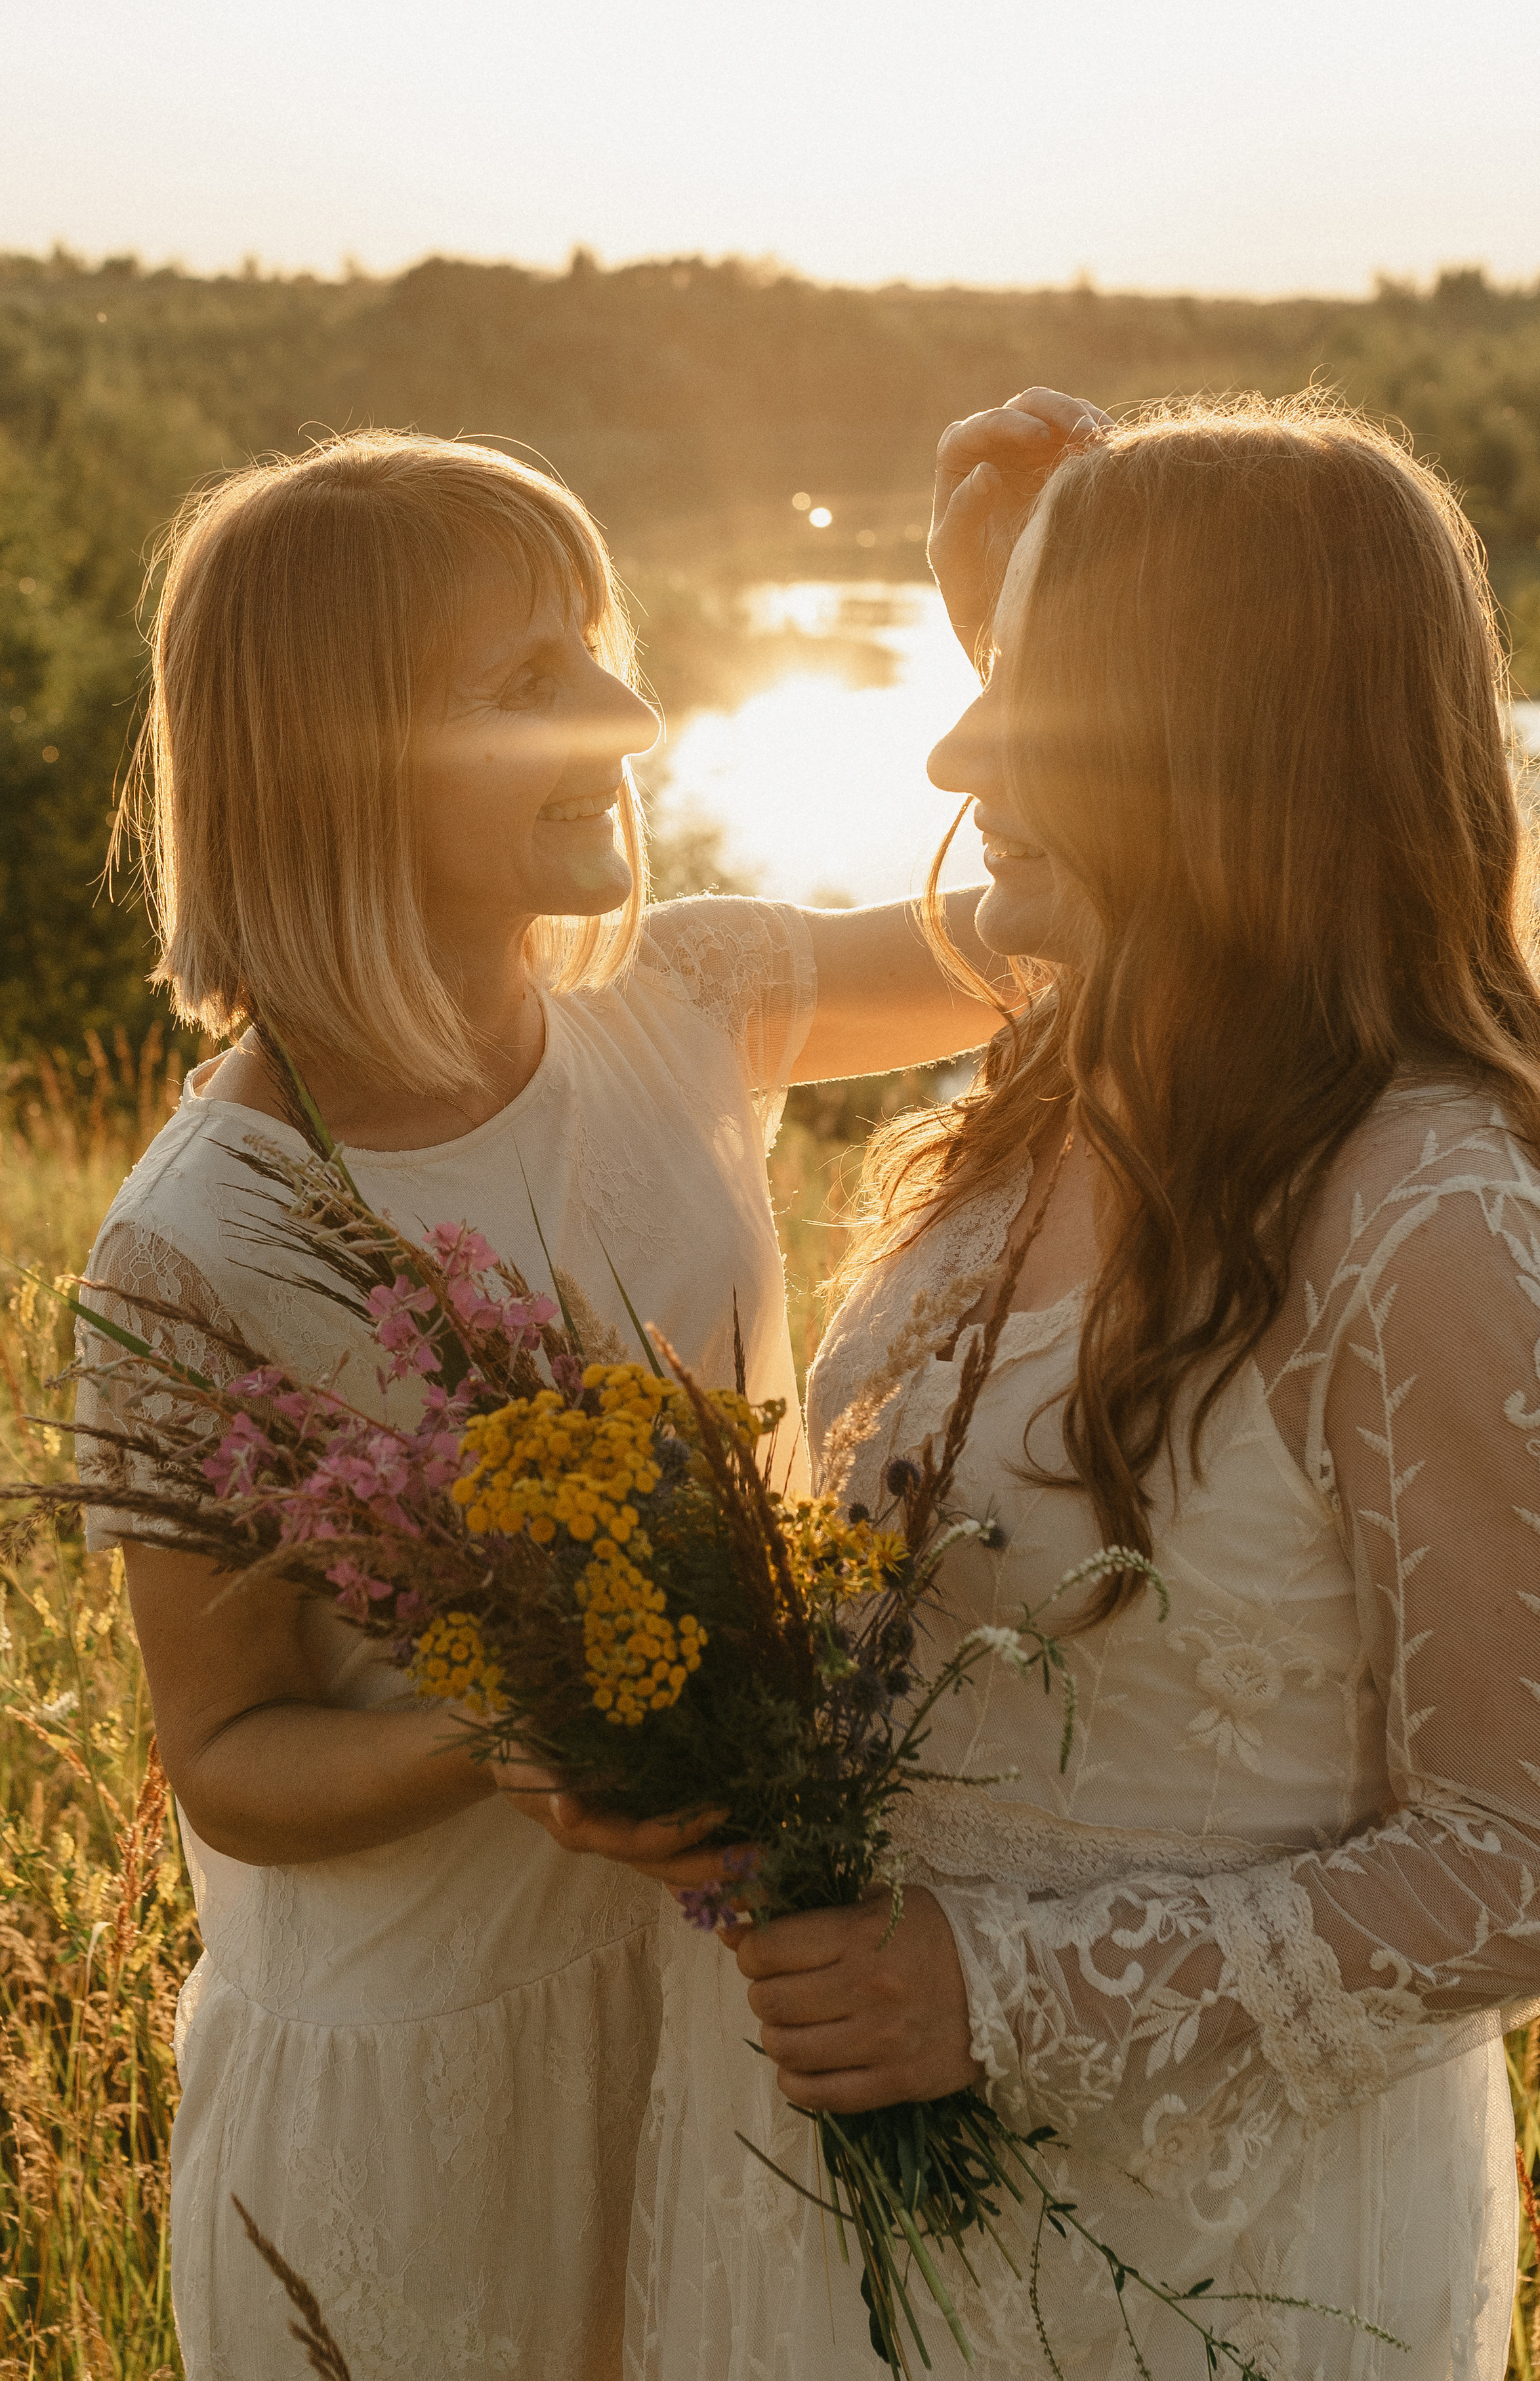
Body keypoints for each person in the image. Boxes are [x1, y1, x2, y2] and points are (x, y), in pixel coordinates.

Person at [615, 395, 1540, 2378]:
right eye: (997, 673)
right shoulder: (1065, 1084)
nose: (953, 755)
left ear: (1227, 751)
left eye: (1041, 694)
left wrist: (996, 1995)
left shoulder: (1435, 1214)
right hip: (846, 2215)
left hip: (1199, 2271)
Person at [76, 431, 1010, 2381]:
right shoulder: (202, 1236)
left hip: (734, 2017)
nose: (632, 718)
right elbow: (226, 1750)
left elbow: (1058, 931)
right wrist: (508, 1732)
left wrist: (1018, 630)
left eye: (600, 649)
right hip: (416, 2105)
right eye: (532, 680)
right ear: (338, 757)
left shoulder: (685, 1001)